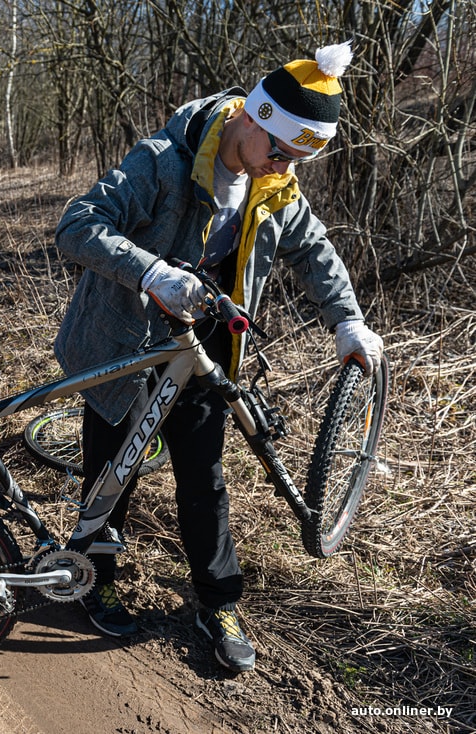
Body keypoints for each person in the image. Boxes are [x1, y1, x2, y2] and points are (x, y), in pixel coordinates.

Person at [53, 42, 384, 673]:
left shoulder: (275, 184)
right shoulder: (164, 163)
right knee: (109, 472)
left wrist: (347, 321)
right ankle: (96, 576)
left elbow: (315, 253)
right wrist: (150, 271)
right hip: (122, 341)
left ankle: (217, 602)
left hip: (201, 349)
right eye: (282, 151)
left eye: (299, 160)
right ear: (254, 119)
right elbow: (79, 225)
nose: (283, 169)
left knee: (203, 479)